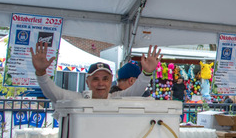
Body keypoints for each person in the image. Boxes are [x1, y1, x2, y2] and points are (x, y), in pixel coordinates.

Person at [31, 42, 161, 100]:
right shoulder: (79, 99)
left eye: (105, 79)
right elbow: (53, 93)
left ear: (111, 81)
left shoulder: (116, 98)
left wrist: (146, 73)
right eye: (95, 79)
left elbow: (136, 91)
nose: (101, 83)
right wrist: (41, 73)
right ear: (87, 82)